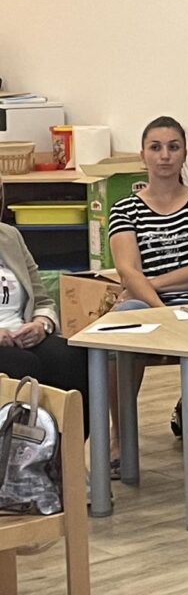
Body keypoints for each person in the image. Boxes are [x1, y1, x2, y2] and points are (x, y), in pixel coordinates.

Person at [108, 115, 188, 464]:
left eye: (173, 147)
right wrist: (158, 306)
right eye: (155, 147)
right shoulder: (125, 209)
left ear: (184, 153)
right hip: (145, 304)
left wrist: (153, 285)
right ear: (142, 154)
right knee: (120, 326)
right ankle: (121, 433)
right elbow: (128, 270)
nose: (164, 156)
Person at [0, 176, 88, 436]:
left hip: (21, 332)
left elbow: (42, 298)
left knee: (71, 357)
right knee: (24, 365)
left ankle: (66, 452)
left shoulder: (10, 236)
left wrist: (41, 324)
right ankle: (20, 455)